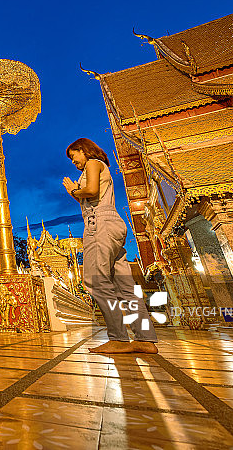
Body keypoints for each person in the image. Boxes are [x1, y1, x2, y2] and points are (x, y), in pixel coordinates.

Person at [63, 138, 158, 354]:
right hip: (112, 224)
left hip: (100, 225)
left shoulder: (93, 163)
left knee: (96, 281)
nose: (73, 161)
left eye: (73, 155)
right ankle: (145, 338)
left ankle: (118, 338)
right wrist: (79, 191)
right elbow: (91, 195)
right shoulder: (98, 167)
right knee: (125, 287)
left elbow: (91, 191)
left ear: (83, 150)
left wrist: (74, 191)